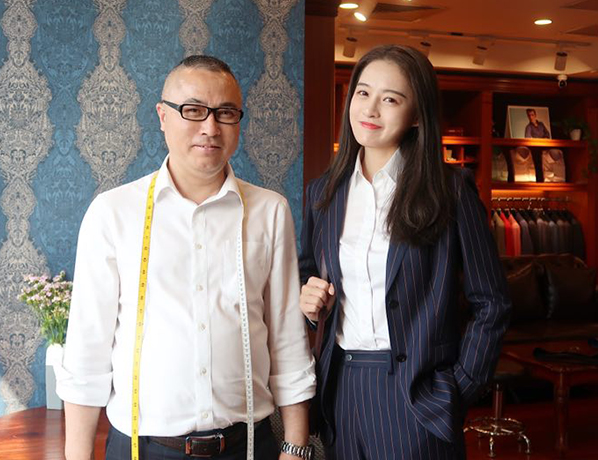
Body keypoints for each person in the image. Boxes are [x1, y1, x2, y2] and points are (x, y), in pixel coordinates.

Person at [57, 55, 316, 460]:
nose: (210, 127)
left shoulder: (270, 211)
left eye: (225, 113)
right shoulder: (113, 213)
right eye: (193, 110)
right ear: (163, 116)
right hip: (143, 448)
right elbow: (86, 352)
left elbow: (287, 338)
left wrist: (295, 449)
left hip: (248, 446)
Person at [299, 45, 511, 459]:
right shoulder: (323, 193)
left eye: (391, 99)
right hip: (341, 389)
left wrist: (459, 387)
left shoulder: (450, 191)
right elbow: (308, 275)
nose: (370, 109)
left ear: (416, 116)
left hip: (418, 393)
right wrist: (309, 302)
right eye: (363, 93)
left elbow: (493, 302)